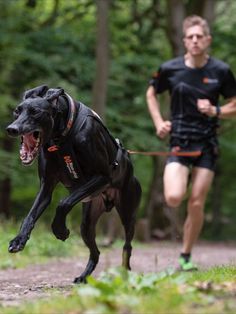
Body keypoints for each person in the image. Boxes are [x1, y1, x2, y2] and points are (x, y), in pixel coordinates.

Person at [146, 15, 236, 271]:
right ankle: (180, 199)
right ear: (185, 40)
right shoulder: (169, 69)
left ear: (207, 40)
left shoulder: (220, 71)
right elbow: (151, 93)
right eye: (191, 37)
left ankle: (185, 256)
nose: (195, 41)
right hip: (179, 140)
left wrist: (216, 110)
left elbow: (234, 104)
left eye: (200, 37)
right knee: (174, 197)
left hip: (207, 144)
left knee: (197, 202)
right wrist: (158, 122)